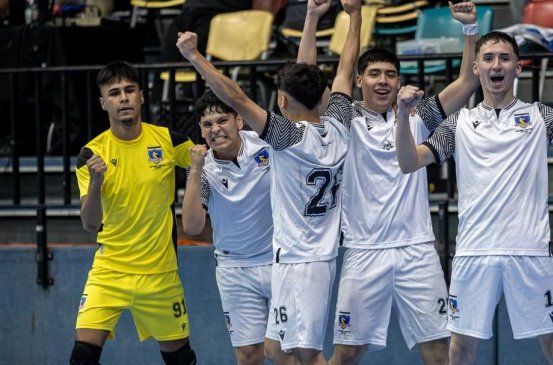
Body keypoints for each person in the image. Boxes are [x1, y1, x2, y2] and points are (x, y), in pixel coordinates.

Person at [395, 31, 553, 365]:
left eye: (505, 58)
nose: (497, 65)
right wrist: (403, 117)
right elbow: (408, 163)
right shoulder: (459, 122)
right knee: (461, 350)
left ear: (518, 67)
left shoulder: (540, 116)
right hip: (474, 252)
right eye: (489, 58)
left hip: (530, 251)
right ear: (476, 66)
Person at [176, 0, 360, 363]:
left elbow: (236, 97)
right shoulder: (340, 125)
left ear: (281, 101)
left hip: (300, 261)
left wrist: (197, 57)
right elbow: (345, 70)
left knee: (302, 355)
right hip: (308, 257)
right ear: (323, 97)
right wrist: (353, 15)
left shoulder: (286, 138)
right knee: (276, 349)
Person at [296, 1, 479, 364]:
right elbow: (305, 78)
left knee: (439, 351)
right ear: (360, 80)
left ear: (400, 80)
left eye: (391, 74)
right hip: (365, 252)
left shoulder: (417, 116)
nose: (383, 81)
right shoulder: (343, 118)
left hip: (417, 251)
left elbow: (468, 81)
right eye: (375, 74)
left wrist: (470, 30)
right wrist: (317, 18)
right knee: (347, 353)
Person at [71, 61, 197, 365]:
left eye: (129, 90)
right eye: (114, 93)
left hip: (160, 274)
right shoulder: (91, 154)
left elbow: (204, 168)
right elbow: (90, 224)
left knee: (181, 360)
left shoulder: (171, 142)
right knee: (82, 357)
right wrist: (98, 180)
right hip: (109, 271)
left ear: (141, 96)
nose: (123, 98)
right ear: (103, 103)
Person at [181, 89, 290, 365]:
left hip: (280, 262)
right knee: (248, 355)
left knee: (283, 351)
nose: (215, 129)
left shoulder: (266, 146)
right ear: (201, 131)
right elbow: (192, 226)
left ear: (239, 121)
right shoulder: (202, 169)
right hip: (234, 269)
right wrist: (194, 169)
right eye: (207, 124)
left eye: (222, 120)